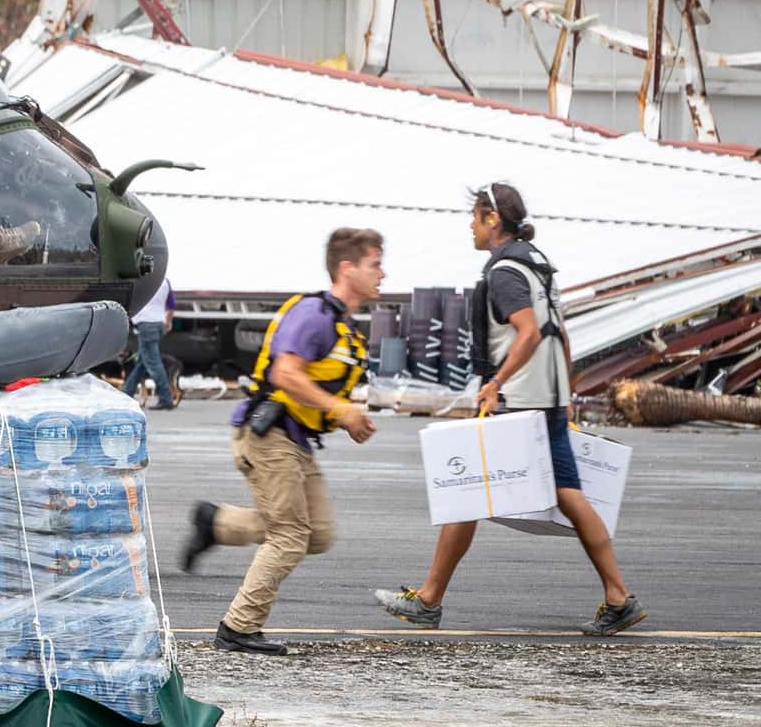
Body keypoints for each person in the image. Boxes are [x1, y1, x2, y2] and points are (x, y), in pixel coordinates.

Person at [375, 183, 646, 637]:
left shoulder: (504, 272)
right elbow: (558, 334)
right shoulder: (537, 267)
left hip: (520, 402)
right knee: (568, 495)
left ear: (492, 219)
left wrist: (496, 383)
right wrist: (567, 391)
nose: (471, 226)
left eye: (476, 217)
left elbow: (529, 333)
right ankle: (618, 597)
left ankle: (428, 600)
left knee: (467, 489)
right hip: (548, 399)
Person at [183, 227, 383, 653]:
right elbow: (285, 374)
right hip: (267, 436)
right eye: (375, 264)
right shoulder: (316, 315)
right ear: (347, 269)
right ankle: (238, 628)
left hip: (293, 439)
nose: (382, 274)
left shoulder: (343, 324)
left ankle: (216, 523)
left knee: (319, 534)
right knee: (290, 534)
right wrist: (341, 410)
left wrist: (343, 414)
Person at [126, 279, 178, 410]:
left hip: (146, 324)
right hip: (158, 323)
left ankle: (166, 399)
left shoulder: (139, 281)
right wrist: (168, 322)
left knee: (153, 364)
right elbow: (172, 304)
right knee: (142, 363)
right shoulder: (165, 281)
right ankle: (126, 394)